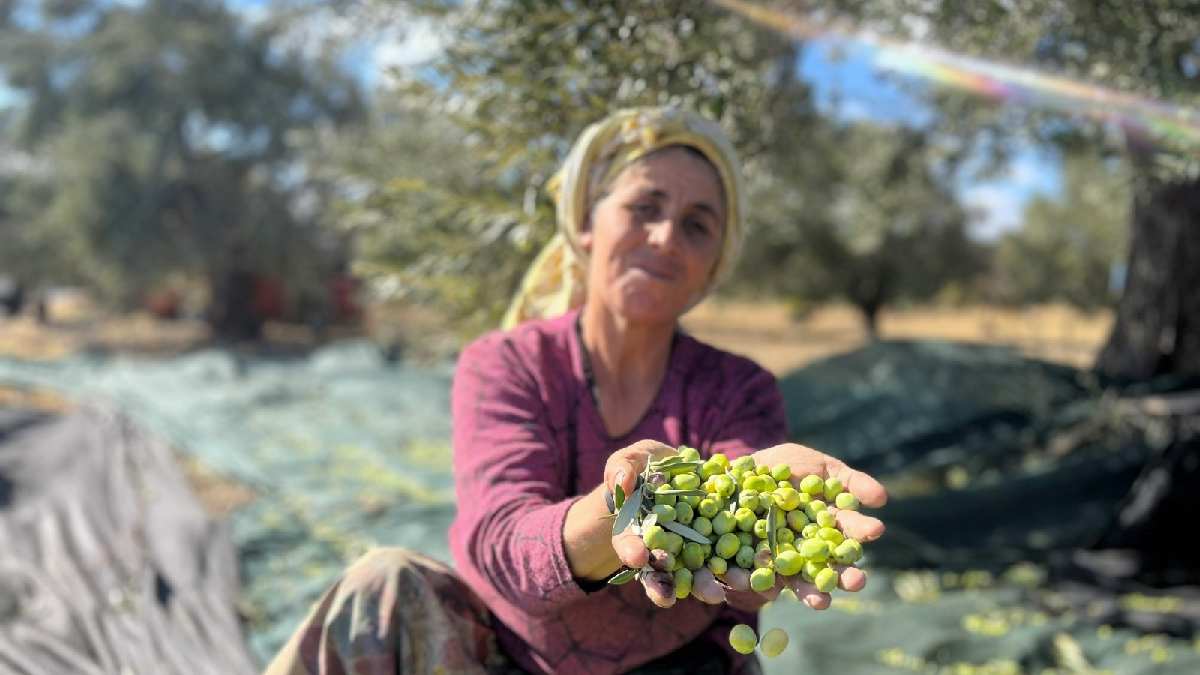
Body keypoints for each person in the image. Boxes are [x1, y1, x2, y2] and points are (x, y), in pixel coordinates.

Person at [263, 107, 887, 675]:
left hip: (675, 665)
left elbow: (744, 522)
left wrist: (772, 531)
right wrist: (619, 511)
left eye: (697, 226)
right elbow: (499, 543)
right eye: (644, 208)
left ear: (713, 265)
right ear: (587, 223)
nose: (665, 237)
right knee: (381, 584)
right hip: (504, 660)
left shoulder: (736, 387)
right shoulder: (510, 363)